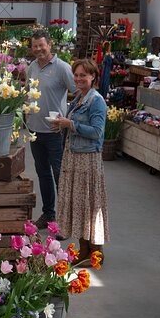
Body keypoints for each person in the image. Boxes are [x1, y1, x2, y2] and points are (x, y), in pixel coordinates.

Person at [51, 59, 109, 262]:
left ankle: (96, 254)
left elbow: (97, 132)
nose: (78, 78)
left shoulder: (96, 101)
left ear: (93, 77)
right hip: (74, 157)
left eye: (83, 75)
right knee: (80, 204)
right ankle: (85, 251)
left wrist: (71, 124)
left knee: (91, 205)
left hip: (87, 159)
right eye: (76, 75)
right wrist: (61, 125)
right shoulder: (78, 98)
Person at [27, 29, 76, 230]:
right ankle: (49, 214)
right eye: (35, 46)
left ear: (50, 44)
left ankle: (66, 217)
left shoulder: (62, 68)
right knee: (43, 173)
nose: (39, 49)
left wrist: (68, 118)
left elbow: (78, 92)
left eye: (42, 45)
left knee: (58, 174)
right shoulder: (31, 68)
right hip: (34, 130)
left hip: (55, 132)